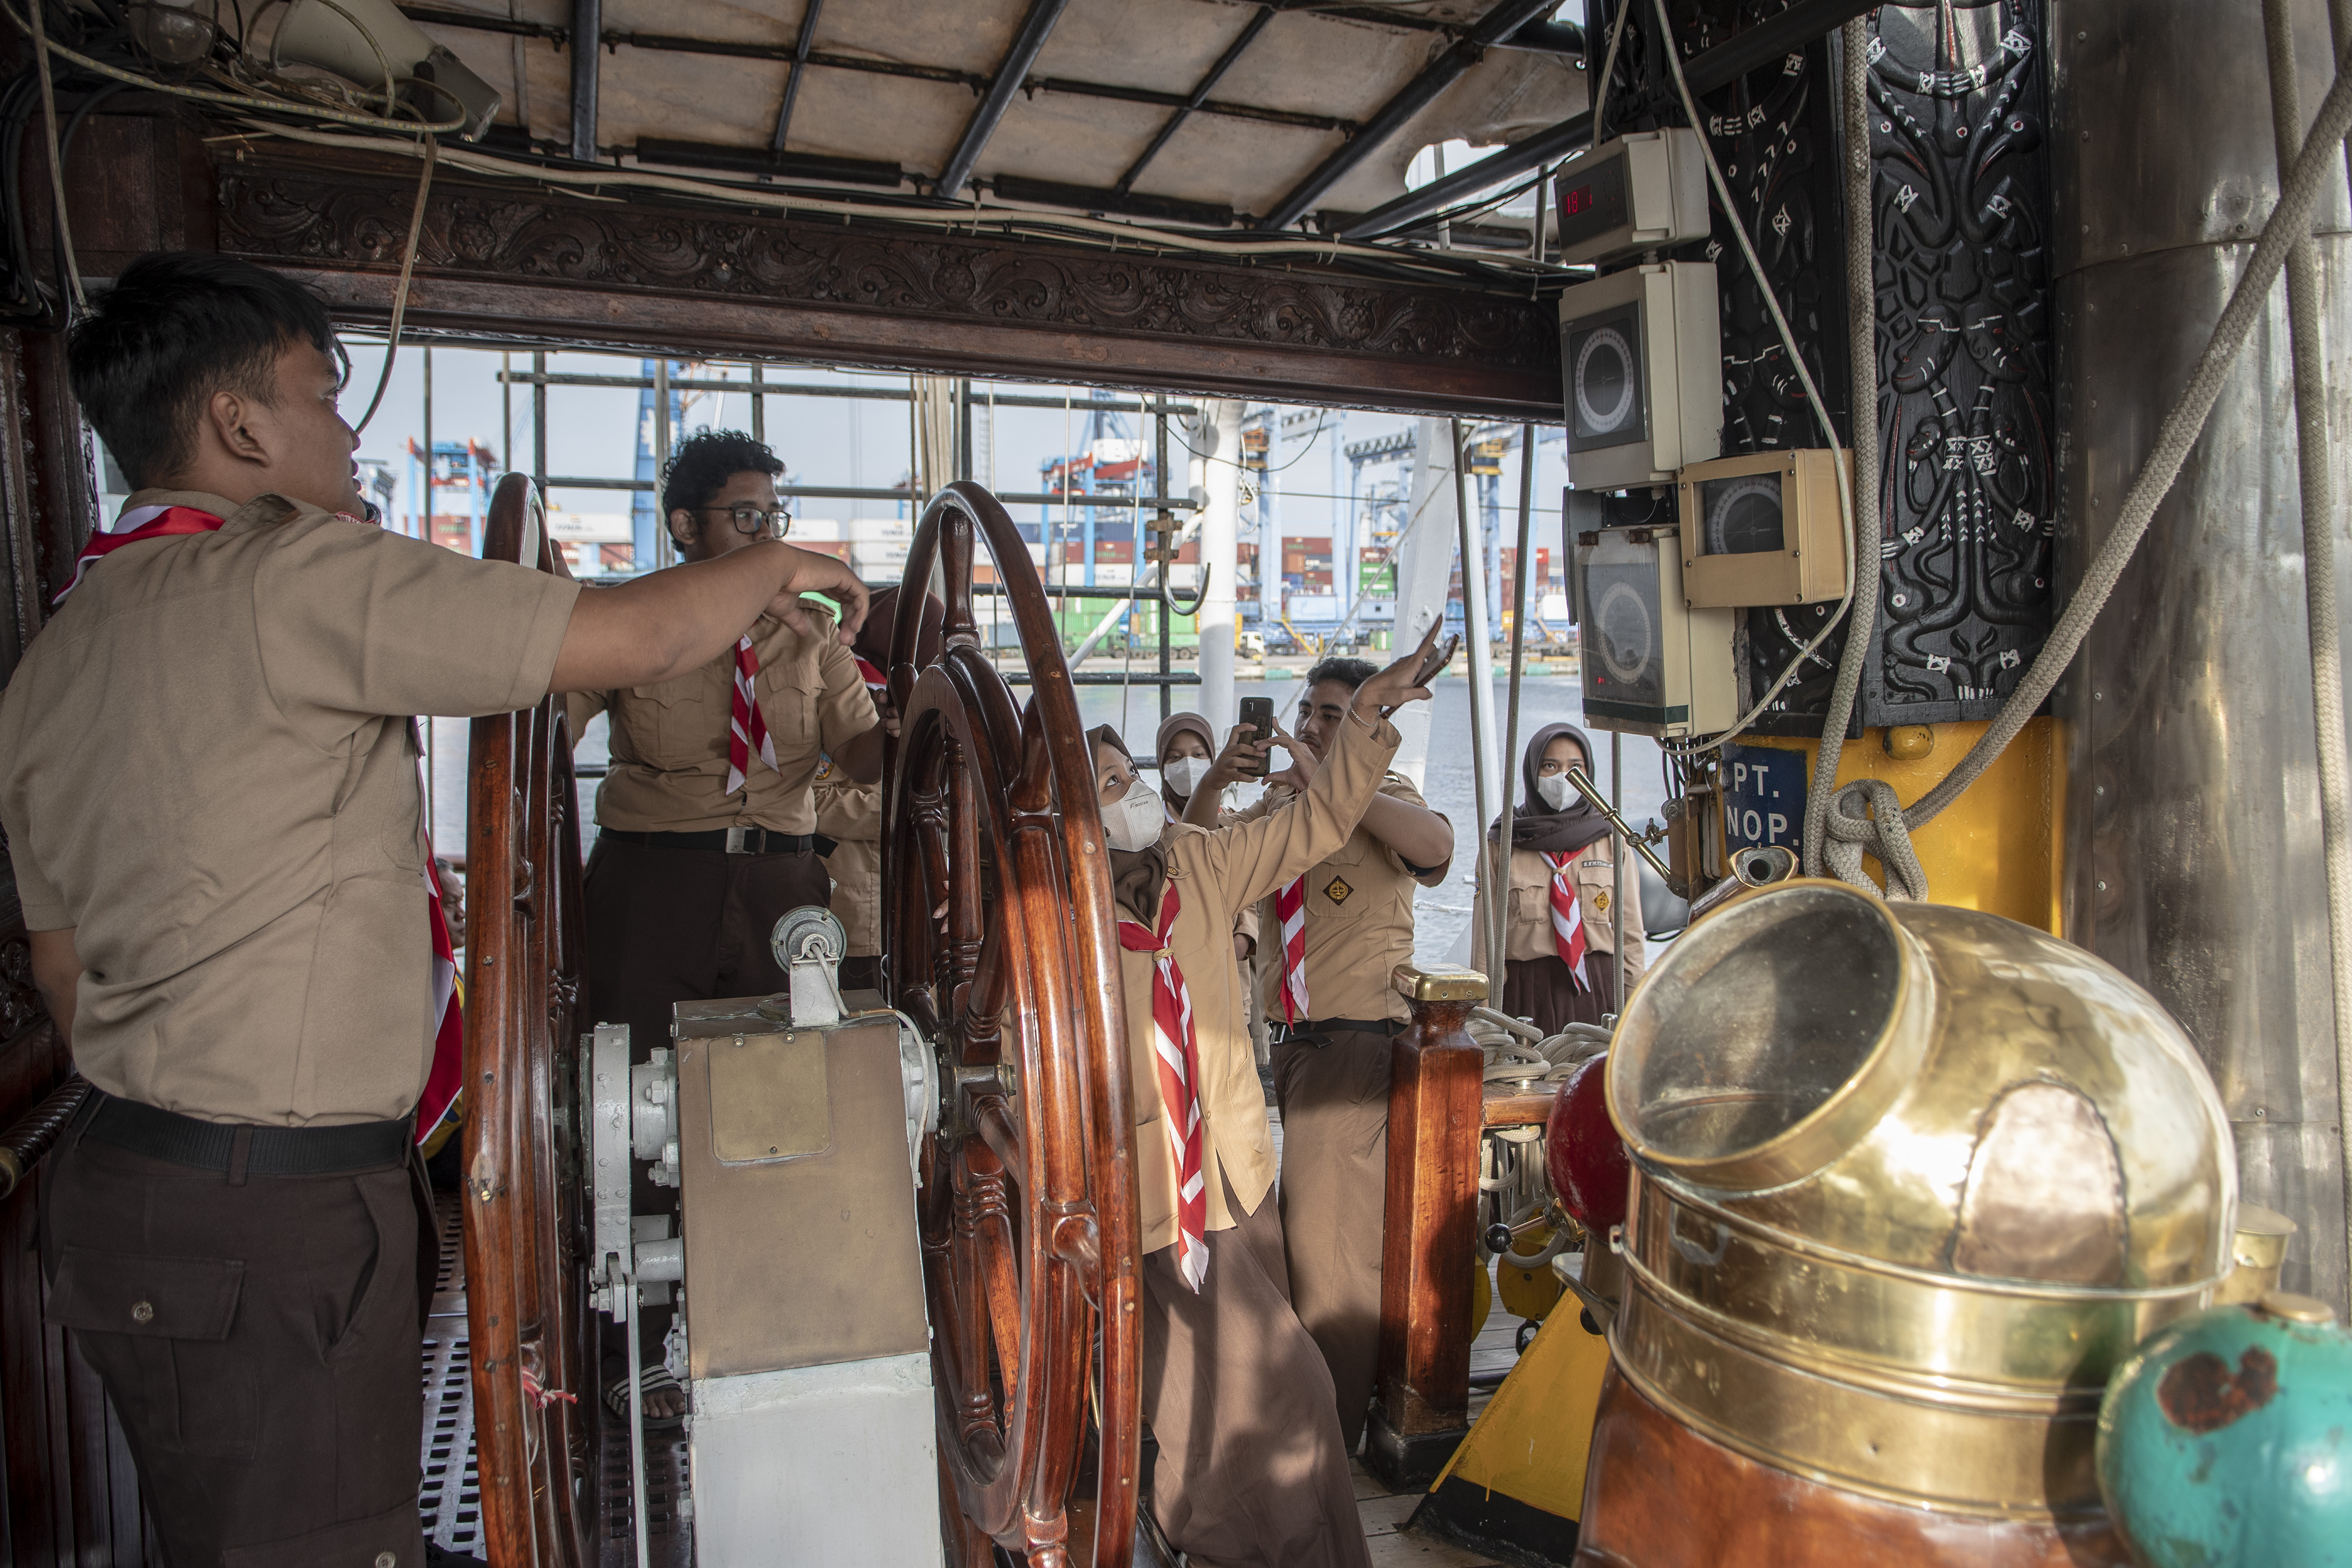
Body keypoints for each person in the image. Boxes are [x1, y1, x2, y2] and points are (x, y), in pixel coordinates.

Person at [0, 251, 869, 1568]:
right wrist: (780, 566)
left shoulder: (59, 648)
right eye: (322, 393)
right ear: (240, 425)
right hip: (277, 1211)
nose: (348, 430)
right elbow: (627, 642)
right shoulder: (297, 574)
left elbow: (63, 966)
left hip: (136, 1184)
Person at [1089, 622, 1442, 1567]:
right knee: (1230, 1393)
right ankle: (1207, 1529)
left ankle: (1218, 1533)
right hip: (1136, 1194)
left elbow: (1318, 822)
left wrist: (1367, 714)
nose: (1131, 799)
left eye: (1132, 779)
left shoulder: (1202, 862)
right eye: (1111, 786)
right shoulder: (1053, 912)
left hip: (1232, 1179)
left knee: (1273, 1391)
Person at [566, 430, 891, 1417]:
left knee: (782, 1101)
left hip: (783, 887)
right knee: (632, 1112)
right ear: (684, 525)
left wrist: (919, 730)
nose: (767, 538)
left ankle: (765, 1323)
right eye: (746, 517)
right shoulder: (627, 618)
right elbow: (550, 719)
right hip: (653, 882)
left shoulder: (810, 634)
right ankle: (634, 1350)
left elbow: (863, 752)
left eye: (774, 520)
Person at [1182, 656, 1454, 1455]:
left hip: (1358, 1042)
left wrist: (1344, 784)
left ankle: (1328, 1449)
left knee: (1330, 1255)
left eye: (1333, 715)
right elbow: (1193, 860)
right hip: (1294, 1049)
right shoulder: (1277, 809)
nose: (1309, 726)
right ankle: (1311, 1420)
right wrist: (1214, 784)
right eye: (1308, 712)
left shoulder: (1386, 800)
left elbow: (1437, 847)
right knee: (1297, 1239)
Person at [1471, 723, 1645, 1031]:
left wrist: (1634, 1009)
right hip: (1526, 994)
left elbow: (1629, 935)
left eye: (1575, 767)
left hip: (1600, 993)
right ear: (1533, 771)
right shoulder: (1503, 843)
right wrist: (1488, 1017)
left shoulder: (1611, 840)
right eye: (1550, 766)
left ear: (1588, 773)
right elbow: (1486, 941)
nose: (1563, 777)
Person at [817, 584, 941, 994]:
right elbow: (813, 799)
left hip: (915, 911)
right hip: (853, 914)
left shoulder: (932, 709)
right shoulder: (834, 698)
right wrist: (911, 810)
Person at [1157, 710, 1258, 965]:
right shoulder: (1149, 832)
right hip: (1174, 960)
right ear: (1161, 765)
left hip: (1231, 966)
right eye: (1175, 757)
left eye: (1198, 755)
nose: (1189, 764)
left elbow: (1251, 880)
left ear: (1213, 758)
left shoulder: (1234, 821)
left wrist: (1245, 934)